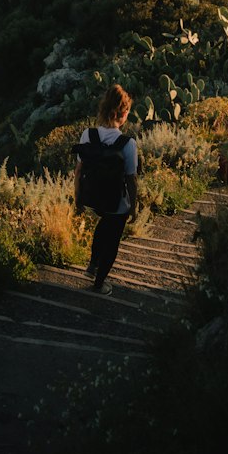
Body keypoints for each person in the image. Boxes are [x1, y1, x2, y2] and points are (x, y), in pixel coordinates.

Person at [74, 83, 139, 295]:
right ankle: (100, 283)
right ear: (123, 113)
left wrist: (78, 200)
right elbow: (131, 179)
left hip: (93, 196)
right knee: (113, 239)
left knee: (104, 222)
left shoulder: (87, 135)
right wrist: (134, 206)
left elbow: (78, 171)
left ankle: (93, 264)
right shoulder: (127, 144)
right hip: (116, 200)